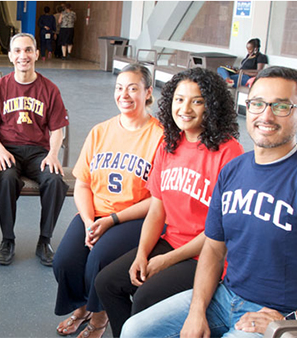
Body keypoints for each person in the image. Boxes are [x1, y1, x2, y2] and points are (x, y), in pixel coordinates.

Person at [122, 66, 297, 338]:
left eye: (282, 106)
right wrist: (197, 310)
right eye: (258, 104)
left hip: (276, 312)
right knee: (135, 330)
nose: (266, 115)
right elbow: (213, 248)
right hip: (225, 297)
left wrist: (293, 321)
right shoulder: (233, 171)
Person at [93, 67, 243, 336]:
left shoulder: (228, 151)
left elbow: (219, 230)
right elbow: (157, 208)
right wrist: (142, 253)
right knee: (106, 282)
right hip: (171, 241)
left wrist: (166, 261)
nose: (185, 108)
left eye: (197, 101)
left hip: (205, 254)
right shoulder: (169, 143)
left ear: (212, 105)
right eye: (179, 99)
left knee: (145, 297)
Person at [51, 64, 163, 338]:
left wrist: (111, 221)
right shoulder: (100, 131)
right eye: (119, 88)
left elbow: (157, 200)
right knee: (64, 261)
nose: (124, 94)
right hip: (96, 214)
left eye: (133, 88)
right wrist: (89, 221)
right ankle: (83, 307)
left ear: (148, 93)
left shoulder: (160, 137)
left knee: (98, 262)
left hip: (134, 217)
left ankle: (99, 318)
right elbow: (83, 184)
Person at [0, 33, 69, 267]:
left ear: (37, 54)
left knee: (55, 180)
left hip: (37, 152)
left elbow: (57, 130)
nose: (24, 55)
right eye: (18, 51)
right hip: (7, 149)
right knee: (6, 178)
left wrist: (52, 154)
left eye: (29, 50)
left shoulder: (49, 89)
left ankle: (45, 240)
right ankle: (7, 240)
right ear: (10, 56)